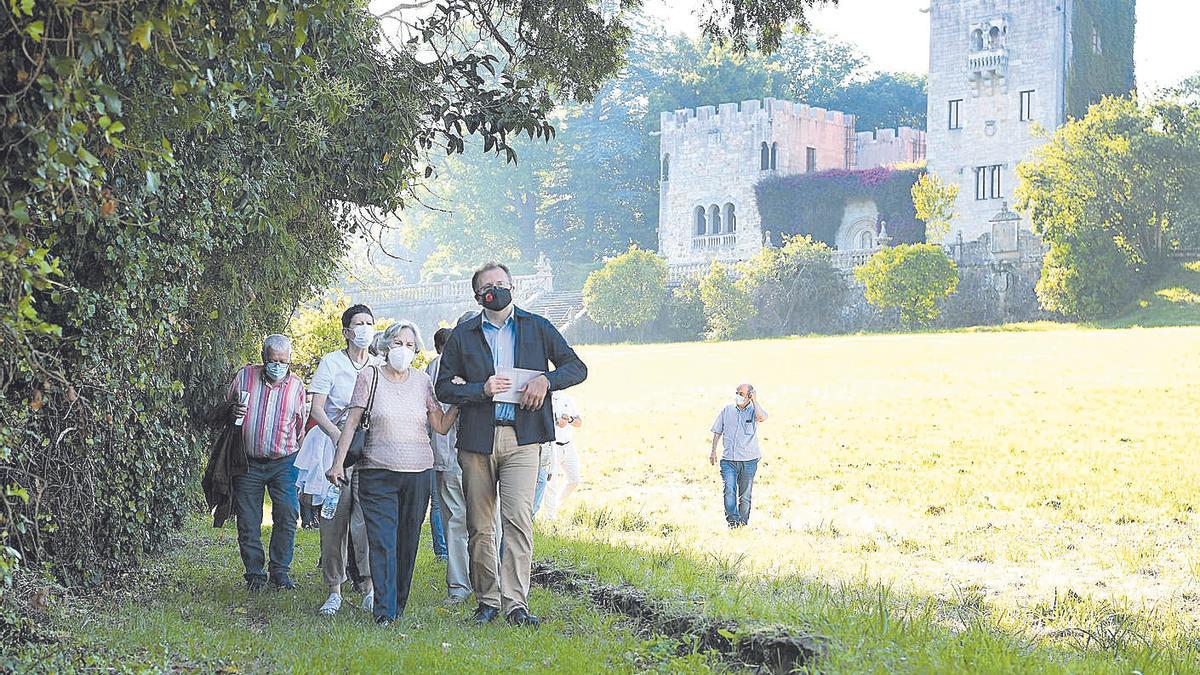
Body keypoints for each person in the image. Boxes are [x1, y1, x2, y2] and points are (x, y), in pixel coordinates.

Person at [435, 262, 587, 628]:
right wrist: (479, 389)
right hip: (476, 439)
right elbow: (443, 387)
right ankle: (486, 600)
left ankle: (515, 604)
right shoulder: (463, 334)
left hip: (524, 438)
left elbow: (576, 367)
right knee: (480, 525)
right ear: (478, 294)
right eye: (489, 285)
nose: (496, 289)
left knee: (518, 520)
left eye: (502, 283)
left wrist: (546, 381)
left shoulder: (537, 326)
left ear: (512, 287)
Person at [326, 321, 459, 626]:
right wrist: (338, 463)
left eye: (410, 345)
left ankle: (397, 605)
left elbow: (439, 425)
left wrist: (460, 404)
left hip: (417, 472)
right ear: (386, 346)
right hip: (377, 472)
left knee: (408, 541)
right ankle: (384, 612)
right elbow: (351, 422)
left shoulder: (423, 381)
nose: (404, 350)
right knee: (383, 541)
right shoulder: (369, 377)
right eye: (398, 343)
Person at [294, 304, 380, 616]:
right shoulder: (332, 363)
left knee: (367, 520)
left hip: (369, 451)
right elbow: (316, 408)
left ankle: (369, 586)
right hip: (333, 447)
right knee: (333, 519)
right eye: (358, 323)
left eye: (369, 323)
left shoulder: (378, 366)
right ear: (346, 331)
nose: (364, 328)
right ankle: (334, 588)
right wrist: (337, 438)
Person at [226, 334, 307, 591]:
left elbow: (300, 427)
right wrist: (232, 412)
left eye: (283, 361)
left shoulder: (297, 386)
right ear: (264, 359)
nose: (278, 365)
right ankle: (254, 574)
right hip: (248, 461)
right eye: (273, 360)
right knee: (248, 519)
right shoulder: (245, 377)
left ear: (290, 360)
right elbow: (226, 408)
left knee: (287, 512)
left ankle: (280, 571)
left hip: (284, 461)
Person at [709, 384, 769, 528]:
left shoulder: (754, 411)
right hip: (728, 459)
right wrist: (713, 451)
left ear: (750, 395)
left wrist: (755, 401)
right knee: (729, 490)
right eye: (737, 392)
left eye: (741, 393)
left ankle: (743, 523)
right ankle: (732, 522)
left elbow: (762, 417)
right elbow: (717, 430)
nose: (738, 395)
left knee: (745, 496)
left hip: (749, 461)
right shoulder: (727, 410)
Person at [539, 391, 583, 520]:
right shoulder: (546, 400)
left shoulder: (567, 398)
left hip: (568, 445)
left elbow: (579, 422)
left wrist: (569, 419)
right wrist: (557, 422)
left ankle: (557, 504)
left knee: (574, 480)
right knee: (551, 483)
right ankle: (549, 518)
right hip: (552, 445)